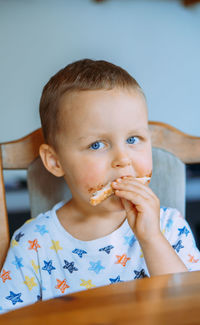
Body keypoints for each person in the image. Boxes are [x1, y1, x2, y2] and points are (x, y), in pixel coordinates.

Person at [0, 59, 200, 314]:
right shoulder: (33, 244)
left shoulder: (169, 229)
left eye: (132, 139)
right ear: (55, 161)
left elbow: (190, 309)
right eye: (97, 145)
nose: (123, 159)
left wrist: (152, 240)